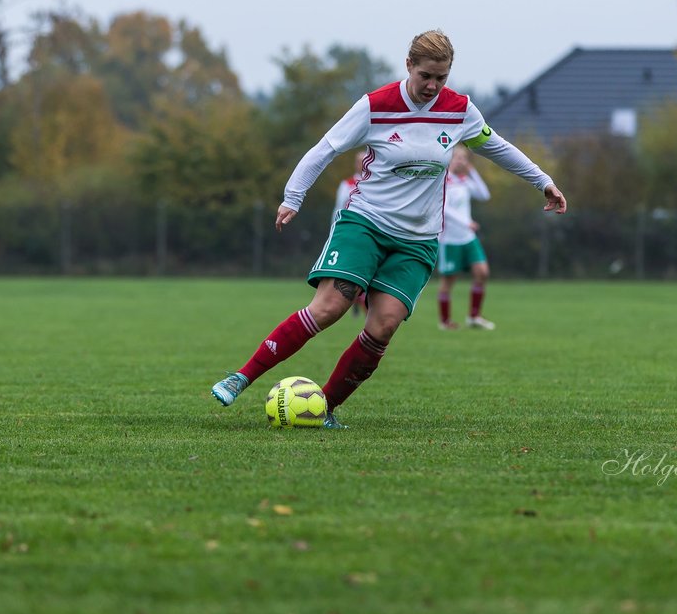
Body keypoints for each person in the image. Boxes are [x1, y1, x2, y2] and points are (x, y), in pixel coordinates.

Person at [210, 29, 567, 428]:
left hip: (418, 241)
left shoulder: (460, 110)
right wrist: (292, 198)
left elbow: (496, 146)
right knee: (329, 309)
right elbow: (324, 149)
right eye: (426, 76)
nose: (432, 86)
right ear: (409, 66)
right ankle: (240, 378)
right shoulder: (374, 106)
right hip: (366, 223)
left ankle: (322, 408)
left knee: (383, 326)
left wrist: (543, 181)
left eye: (442, 77)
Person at [436, 144, 493, 330]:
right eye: (458, 157)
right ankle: (445, 321)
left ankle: (474, 316)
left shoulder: (464, 180)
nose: (462, 161)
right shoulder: (442, 180)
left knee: (482, 272)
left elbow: (485, 195)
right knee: (448, 281)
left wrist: (472, 171)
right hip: (450, 239)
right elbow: (444, 208)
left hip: (468, 237)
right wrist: (465, 222)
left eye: (464, 158)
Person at [333, 150, 369, 315]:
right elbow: (339, 208)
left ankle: (362, 303)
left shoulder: (378, 183)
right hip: (350, 233)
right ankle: (355, 304)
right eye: (360, 161)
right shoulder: (347, 184)